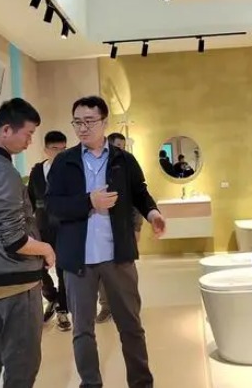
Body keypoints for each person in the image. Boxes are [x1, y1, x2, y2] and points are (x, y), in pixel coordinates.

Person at [46, 96, 166, 388]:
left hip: (118, 256)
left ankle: (141, 383)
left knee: (131, 326)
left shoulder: (123, 160)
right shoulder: (64, 162)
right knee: (82, 331)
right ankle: (90, 383)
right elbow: (53, 206)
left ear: (104, 122)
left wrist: (153, 214)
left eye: (89, 121)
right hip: (79, 260)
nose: (82, 128)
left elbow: (140, 192)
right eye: (77, 122)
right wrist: (89, 201)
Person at [0, 98, 56, 388]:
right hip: (17, 281)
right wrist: (46, 249)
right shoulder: (4, 172)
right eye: (28, 133)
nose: (30, 141)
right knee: (22, 361)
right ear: (6, 130)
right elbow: (15, 239)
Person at [95, 133, 146, 324]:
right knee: (102, 274)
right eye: (118, 145)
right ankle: (106, 307)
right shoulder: (96, 169)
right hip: (100, 232)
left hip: (123, 230)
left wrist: (137, 227)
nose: (121, 149)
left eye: (123, 146)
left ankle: (131, 310)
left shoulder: (127, 165)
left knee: (126, 273)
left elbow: (138, 199)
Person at [27, 130, 72, 331]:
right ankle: (51, 297)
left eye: (64, 149)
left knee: (63, 271)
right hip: (42, 228)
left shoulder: (71, 172)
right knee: (38, 268)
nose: (60, 153)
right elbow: (30, 201)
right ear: (46, 150)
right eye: (55, 149)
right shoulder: (37, 171)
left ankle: (62, 310)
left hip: (64, 228)